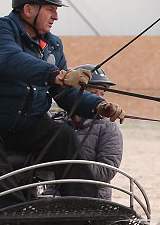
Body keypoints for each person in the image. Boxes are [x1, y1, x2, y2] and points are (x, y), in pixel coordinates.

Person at [0, 0, 125, 207]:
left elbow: (63, 94)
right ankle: (12, 209)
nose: (55, 16)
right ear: (28, 10)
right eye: (50, 10)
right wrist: (58, 75)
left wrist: (97, 105)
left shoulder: (53, 45)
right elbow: (11, 60)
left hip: (26, 123)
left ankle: (86, 204)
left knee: (63, 134)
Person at [52, 64, 124, 199]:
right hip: (55, 195)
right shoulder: (56, 123)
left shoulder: (108, 127)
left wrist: (69, 169)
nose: (100, 99)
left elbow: (107, 170)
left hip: (95, 198)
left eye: (102, 94)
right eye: (93, 94)